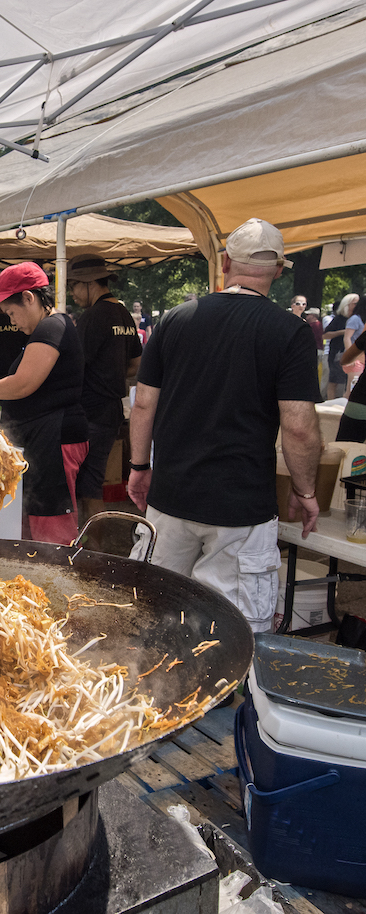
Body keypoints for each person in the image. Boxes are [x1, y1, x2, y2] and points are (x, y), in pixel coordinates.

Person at [127, 218, 321, 634]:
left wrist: (139, 467)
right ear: (280, 270)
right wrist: (305, 491)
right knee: (230, 635)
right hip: (240, 507)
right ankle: (221, 701)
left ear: (226, 262)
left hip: (172, 496)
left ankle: (153, 696)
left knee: (154, 618)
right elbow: (300, 428)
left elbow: (143, 404)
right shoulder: (290, 331)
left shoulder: (176, 318)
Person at [0, 262, 88, 545]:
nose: (12, 321)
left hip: (55, 438)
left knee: (53, 527)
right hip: (42, 440)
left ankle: (61, 581)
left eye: (12, 312)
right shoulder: (44, 330)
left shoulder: (52, 327)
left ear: (28, 298)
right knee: (36, 524)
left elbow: (24, 383)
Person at [67, 254, 141, 524]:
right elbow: (135, 364)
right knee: (94, 480)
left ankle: (88, 547)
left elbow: (74, 366)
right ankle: (92, 545)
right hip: (111, 411)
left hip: (90, 412)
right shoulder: (123, 313)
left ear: (88, 283)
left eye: (74, 286)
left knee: (83, 483)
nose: (73, 293)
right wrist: (111, 375)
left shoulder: (93, 316)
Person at [324, 293, 356, 399]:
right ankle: (330, 402)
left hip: (353, 353)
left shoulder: (358, 319)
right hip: (337, 353)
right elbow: (325, 335)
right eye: (355, 303)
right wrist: (344, 332)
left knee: (349, 381)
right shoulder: (339, 319)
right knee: (334, 381)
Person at [342, 295, 366, 397]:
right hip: (354, 361)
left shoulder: (361, 320)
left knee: (350, 391)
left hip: (359, 359)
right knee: (351, 391)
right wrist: (352, 358)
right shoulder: (355, 319)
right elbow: (347, 338)